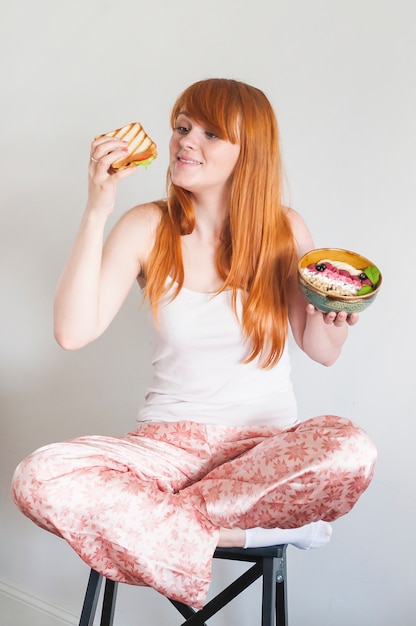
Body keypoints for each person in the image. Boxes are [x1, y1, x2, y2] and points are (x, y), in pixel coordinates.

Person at [11, 78, 376, 609]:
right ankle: (240, 533)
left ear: (248, 151)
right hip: (164, 452)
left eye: (209, 133)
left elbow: (320, 349)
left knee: (352, 448)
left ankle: (165, 525)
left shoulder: (285, 231)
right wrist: (97, 208)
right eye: (182, 127)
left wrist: (335, 317)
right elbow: (72, 332)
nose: (186, 141)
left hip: (263, 452)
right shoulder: (147, 226)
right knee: (38, 477)